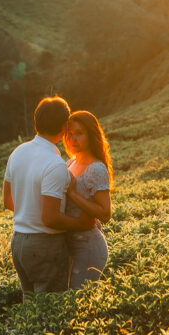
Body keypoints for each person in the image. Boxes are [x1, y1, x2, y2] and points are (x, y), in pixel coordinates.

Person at [3, 95, 95, 296]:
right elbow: (50, 218)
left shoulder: (18, 152)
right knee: (48, 312)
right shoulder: (55, 165)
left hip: (18, 242)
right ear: (65, 127)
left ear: (37, 122)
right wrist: (81, 223)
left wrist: (29, 213)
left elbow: (8, 201)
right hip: (45, 245)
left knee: (31, 310)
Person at [64, 110, 112, 288]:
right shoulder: (70, 163)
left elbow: (105, 213)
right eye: (70, 134)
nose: (73, 139)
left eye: (79, 133)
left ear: (91, 136)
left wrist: (73, 194)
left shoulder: (96, 169)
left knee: (79, 299)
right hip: (68, 245)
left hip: (89, 248)